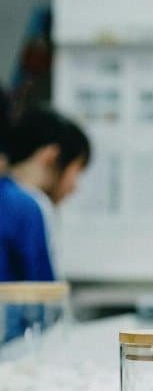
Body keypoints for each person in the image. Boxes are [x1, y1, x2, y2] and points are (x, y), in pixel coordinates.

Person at [2, 107, 91, 278]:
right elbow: (44, 289)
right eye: (77, 171)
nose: (75, 186)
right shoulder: (31, 206)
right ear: (51, 156)